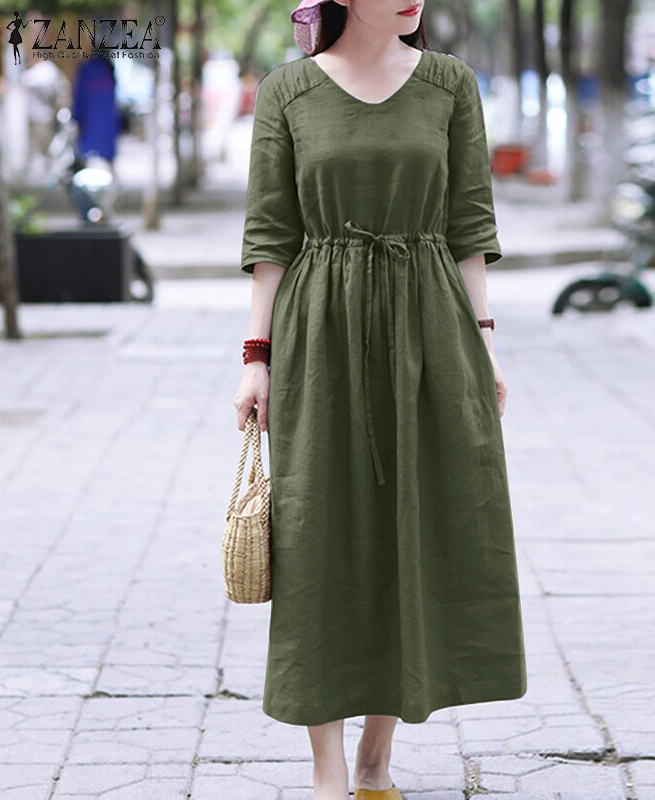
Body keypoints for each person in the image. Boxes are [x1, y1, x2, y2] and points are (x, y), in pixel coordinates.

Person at [234, 2, 527, 798]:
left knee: (415, 526)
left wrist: (485, 343)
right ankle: (328, 769)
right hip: (319, 332)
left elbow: (469, 223)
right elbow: (272, 233)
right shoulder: (288, 90)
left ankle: (375, 757)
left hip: (429, 325)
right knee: (317, 537)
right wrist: (256, 357)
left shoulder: (451, 84)